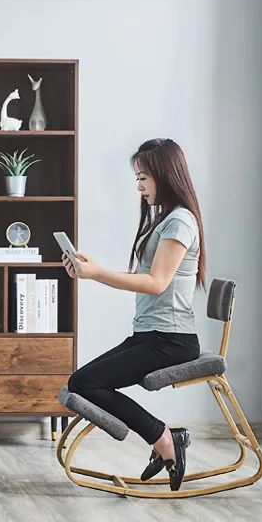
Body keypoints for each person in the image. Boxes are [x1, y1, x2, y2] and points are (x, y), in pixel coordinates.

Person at [62, 138, 206, 490]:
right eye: (137, 179)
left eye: (144, 178)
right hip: (151, 336)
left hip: (171, 341)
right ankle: (165, 437)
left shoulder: (180, 222)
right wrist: (91, 271)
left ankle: (165, 439)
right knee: (80, 381)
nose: (139, 186)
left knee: (84, 383)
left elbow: (157, 283)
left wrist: (97, 274)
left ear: (165, 175)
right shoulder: (165, 220)